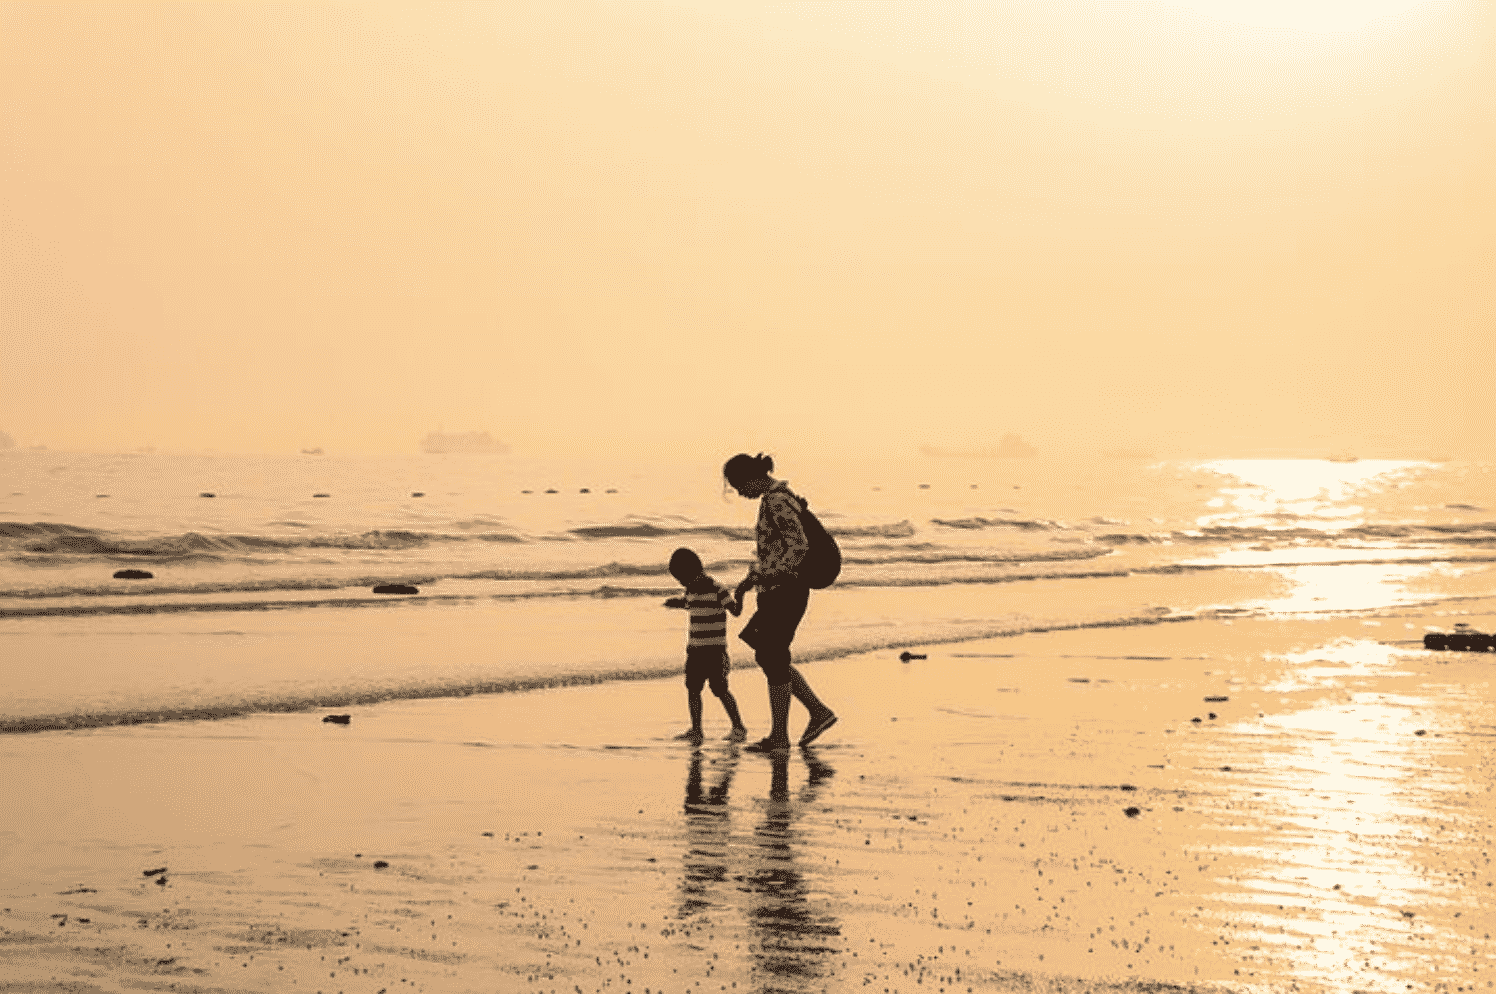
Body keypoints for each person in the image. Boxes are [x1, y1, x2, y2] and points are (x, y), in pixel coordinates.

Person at [722, 453, 838, 753]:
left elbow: (798, 546)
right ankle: (816, 713)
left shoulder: (776, 501)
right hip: (777, 588)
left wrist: (769, 574)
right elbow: (775, 549)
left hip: (786, 590)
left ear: (750, 477)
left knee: (772, 656)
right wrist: (751, 581)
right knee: (768, 655)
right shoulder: (776, 498)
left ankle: (781, 736)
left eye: (737, 486)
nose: (739, 493)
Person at [664, 547, 749, 744]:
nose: (681, 583)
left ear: (692, 572)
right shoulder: (691, 591)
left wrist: (741, 592)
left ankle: (739, 727)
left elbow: (735, 611)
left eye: (682, 578)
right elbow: (689, 604)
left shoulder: (717, 589)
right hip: (694, 650)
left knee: (719, 689)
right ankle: (696, 730)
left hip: (715, 652)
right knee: (693, 689)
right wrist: (676, 602)